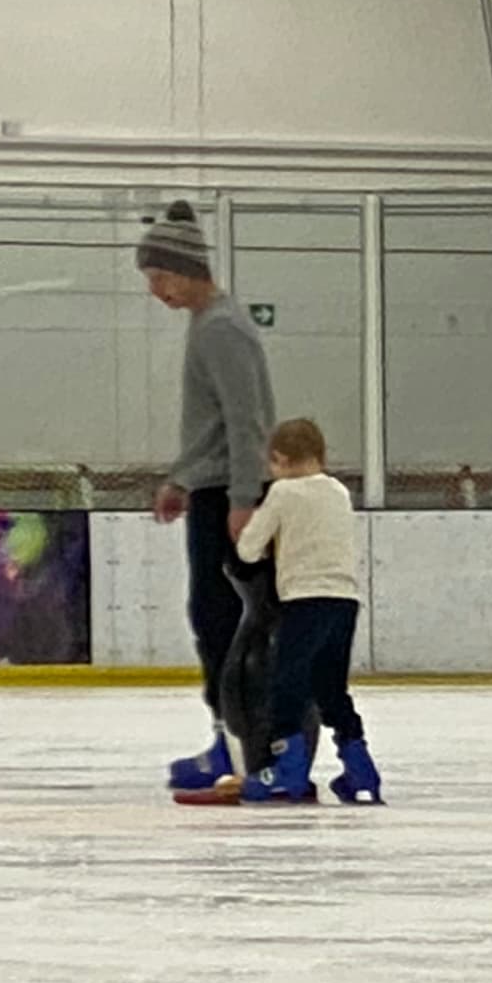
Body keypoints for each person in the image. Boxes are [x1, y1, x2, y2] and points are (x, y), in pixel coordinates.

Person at [137, 203, 277, 795]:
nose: (157, 292)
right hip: (214, 488)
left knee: (224, 619)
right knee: (210, 617)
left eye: (161, 278)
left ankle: (248, 742)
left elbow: (248, 423)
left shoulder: (222, 327)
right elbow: (211, 425)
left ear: (189, 269)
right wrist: (182, 479)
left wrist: (244, 499)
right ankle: (229, 735)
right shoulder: (207, 323)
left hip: (232, 496)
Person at [226, 418, 381, 807]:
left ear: (278, 459)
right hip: (344, 601)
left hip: (304, 599)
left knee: (287, 684)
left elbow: (248, 548)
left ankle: (287, 771)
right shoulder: (338, 491)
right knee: (331, 688)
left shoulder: (283, 493)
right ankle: (360, 771)